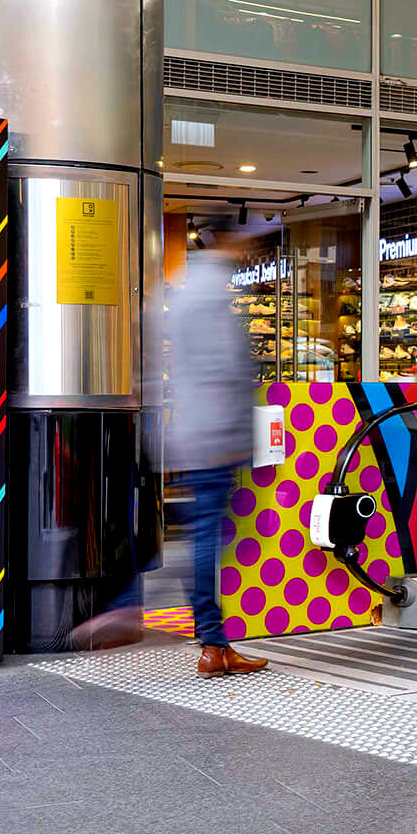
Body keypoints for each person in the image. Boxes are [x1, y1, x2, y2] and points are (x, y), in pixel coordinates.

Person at [160, 228, 269, 679]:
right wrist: (243, 434)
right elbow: (227, 373)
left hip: (194, 433)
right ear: (222, 246)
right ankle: (211, 641)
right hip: (215, 436)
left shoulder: (182, 297)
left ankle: (215, 643)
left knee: (205, 536)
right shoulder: (211, 303)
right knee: (207, 539)